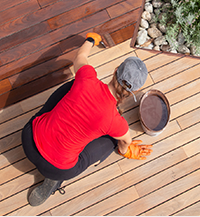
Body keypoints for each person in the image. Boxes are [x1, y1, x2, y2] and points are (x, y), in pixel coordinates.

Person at [21, 33, 153, 206]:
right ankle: (53, 182)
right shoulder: (117, 123)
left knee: (72, 86)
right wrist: (125, 150)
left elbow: (80, 56)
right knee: (111, 140)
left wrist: (91, 40)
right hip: (57, 169)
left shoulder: (87, 78)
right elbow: (125, 143)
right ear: (133, 93)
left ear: (115, 71)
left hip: (29, 141)